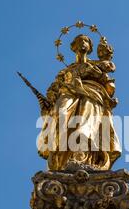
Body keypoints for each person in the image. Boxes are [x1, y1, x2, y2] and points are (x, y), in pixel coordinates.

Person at [38, 34, 121, 170]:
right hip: (68, 93)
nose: (82, 43)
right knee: (59, 116)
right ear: (73, 47)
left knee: (84, 127)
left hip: (92, 95)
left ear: (90, 47)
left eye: (86, 41)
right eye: (79, 41)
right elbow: (53, 91)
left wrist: (98, 74)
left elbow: (110, 87)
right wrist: (48, 103)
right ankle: (62, 157)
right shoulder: (66, 71)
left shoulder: (96, 66)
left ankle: (82, 158)